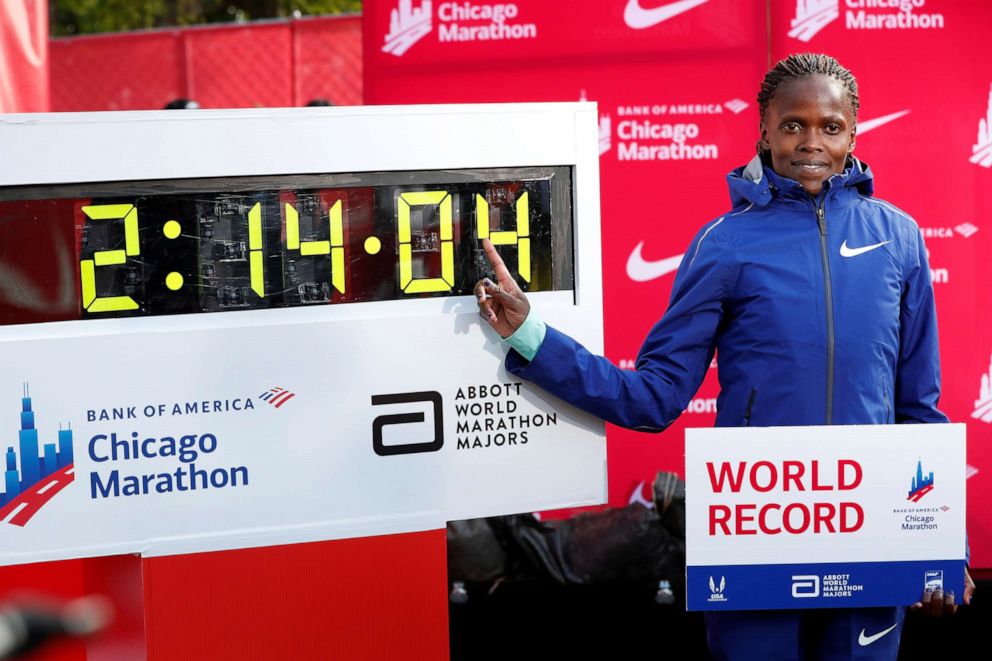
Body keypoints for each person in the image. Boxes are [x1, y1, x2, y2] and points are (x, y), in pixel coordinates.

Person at [475, 53, 974, 660]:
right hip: (755, 532)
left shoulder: (899, 238)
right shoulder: (726, 244)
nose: (810, 142)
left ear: (853, 132)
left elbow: (918, 410)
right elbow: (654, 396)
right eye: (793, 125)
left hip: (868, 534)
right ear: (764, 130)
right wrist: (534, 338)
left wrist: (944, 549)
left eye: (830, 126)